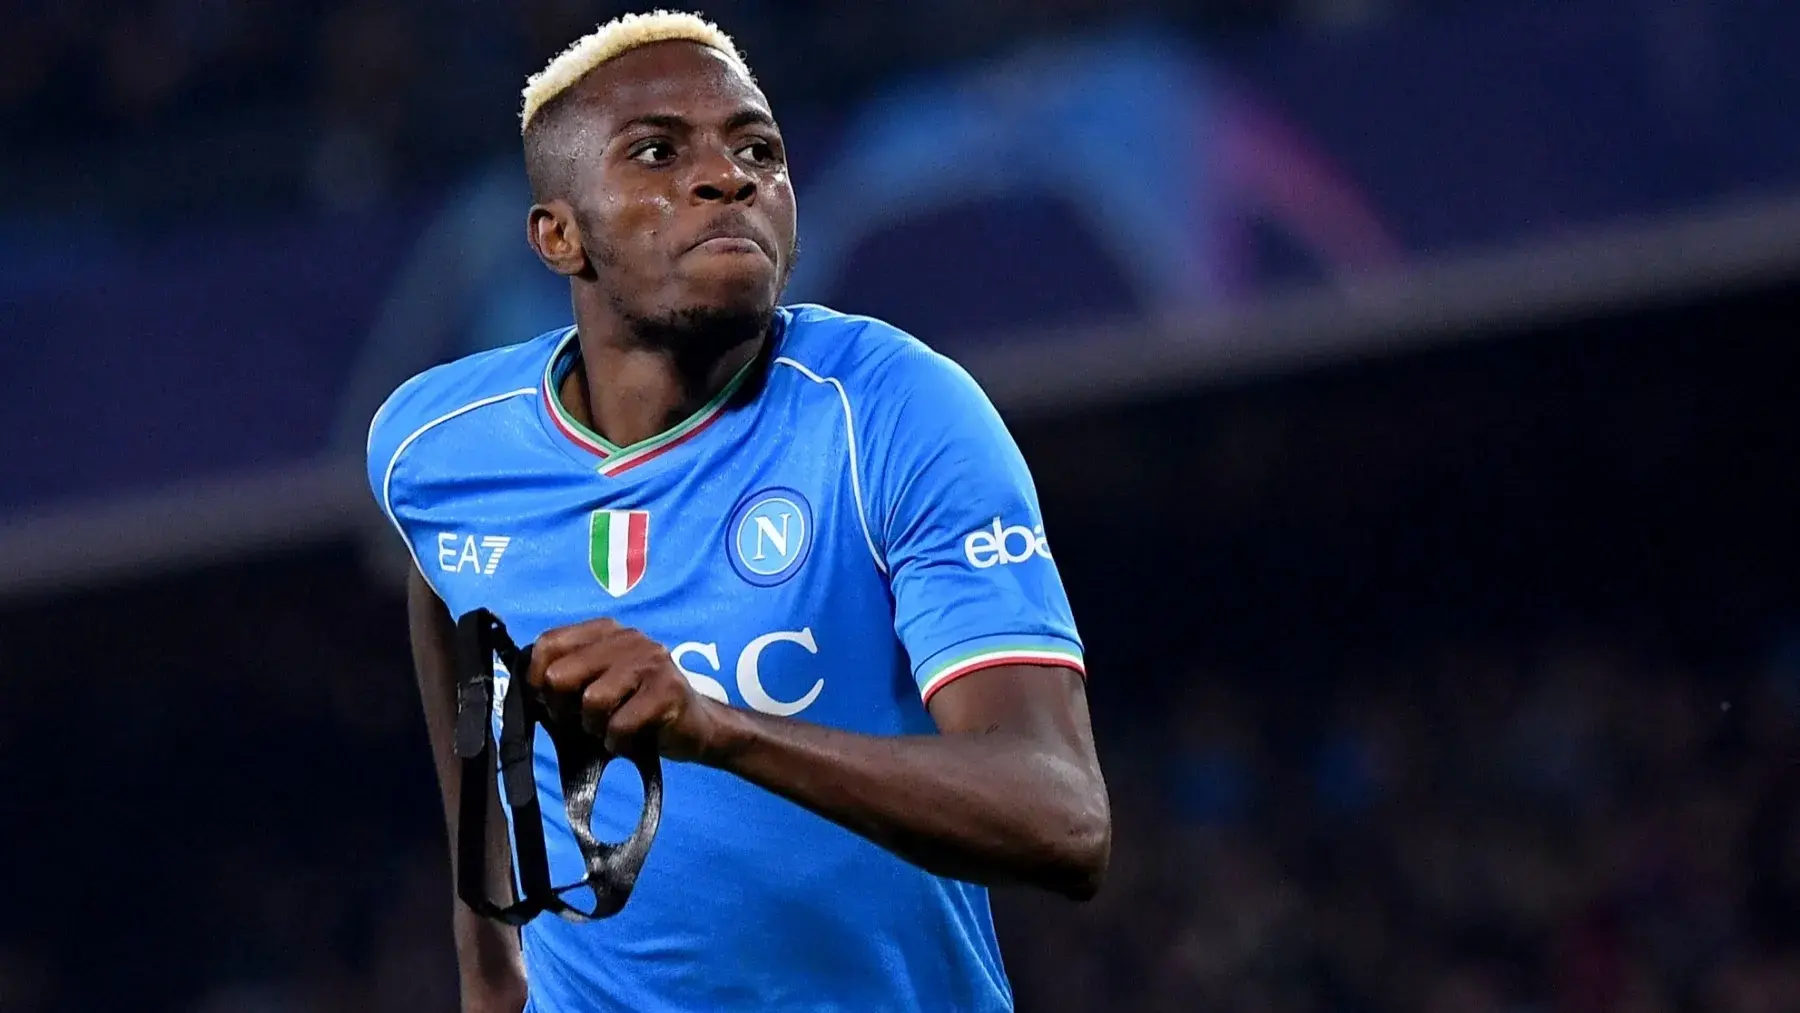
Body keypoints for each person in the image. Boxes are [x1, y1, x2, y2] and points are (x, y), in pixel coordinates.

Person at [365, 11, 1109, 1012]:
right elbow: (447, 594)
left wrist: (718, 727)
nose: (728, 176)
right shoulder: (435, 444)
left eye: (759, 149)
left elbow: (1064, 818)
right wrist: (490, 967)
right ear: (559, 235)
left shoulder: (893, 410)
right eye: (658, 152)